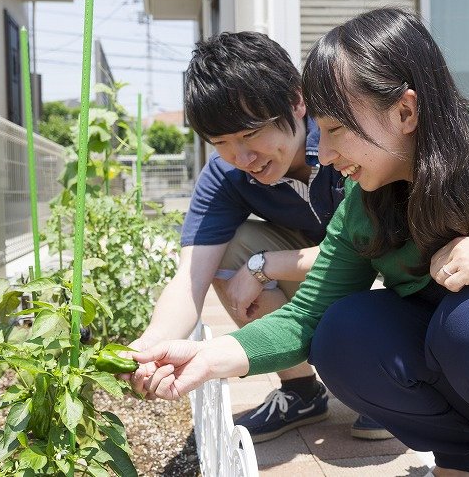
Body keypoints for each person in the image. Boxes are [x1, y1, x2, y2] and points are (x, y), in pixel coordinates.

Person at [127, 7, 469, 477]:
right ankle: (462, 459)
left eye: (337, 130)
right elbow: (308, 317)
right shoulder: (367, 198)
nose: (328, 154)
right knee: (346, 333)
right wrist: (205, 356)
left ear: (405, 111)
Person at [128, 30, 391, 442]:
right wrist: (151, 346)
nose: (242, 157)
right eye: (221, 142)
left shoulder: (346, 143)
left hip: (380, 266)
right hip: (324, 269)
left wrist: (265, 265)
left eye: (250, 134)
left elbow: (359, 252)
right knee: (225, 251)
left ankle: (391, 384)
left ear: (296, 101)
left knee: (355, 306)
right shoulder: (227, 175)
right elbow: (191, 277)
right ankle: (300, 389)